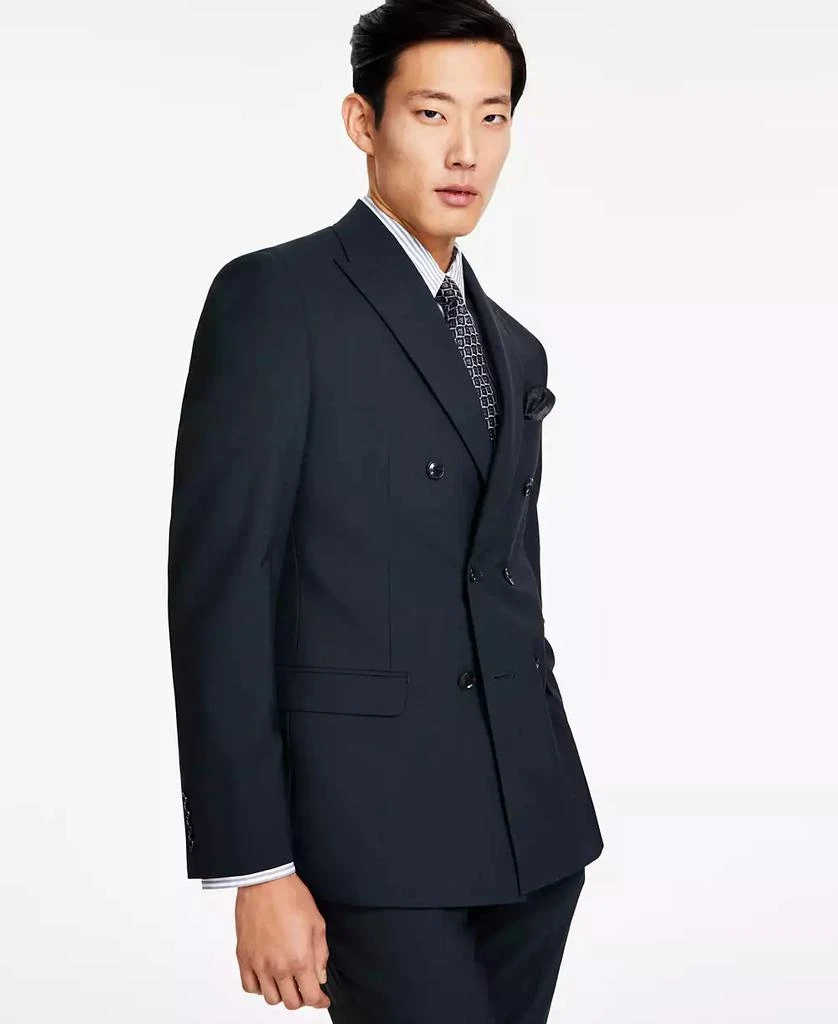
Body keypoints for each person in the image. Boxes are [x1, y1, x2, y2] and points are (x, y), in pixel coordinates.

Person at [167, 1, 604, 1020]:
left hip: (533, 828)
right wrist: (256, 865)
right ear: (363, 122)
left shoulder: (515, 346)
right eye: (431, 113)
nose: (465, 153)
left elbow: (505, 580)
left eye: (492, 117)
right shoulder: (277, 301)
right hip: (369, 837)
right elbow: (223, 591)